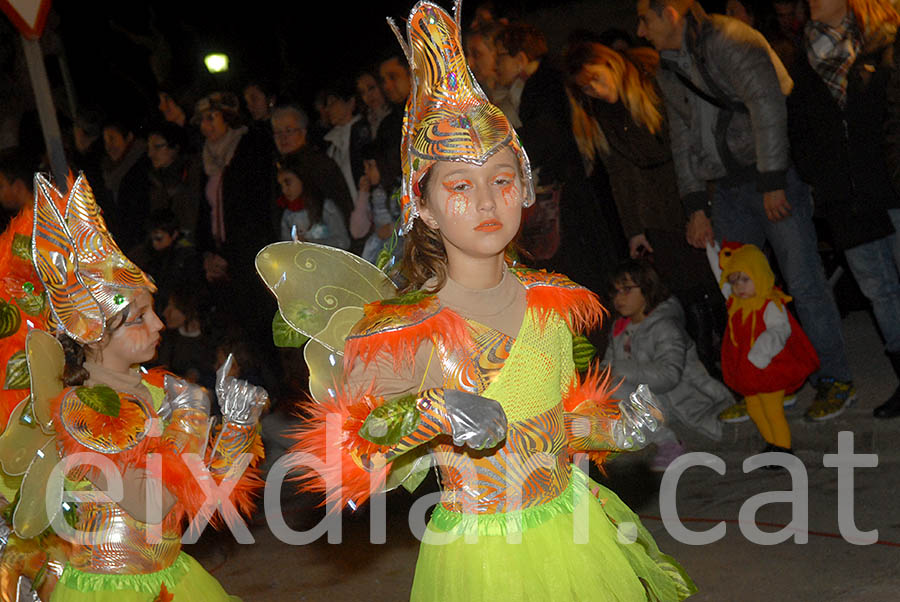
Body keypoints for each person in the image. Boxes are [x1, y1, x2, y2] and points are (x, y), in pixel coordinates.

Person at [282, 3, 695, 600]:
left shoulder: (553, 301)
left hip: (572, 533)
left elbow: (554, 426)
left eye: (501, 179)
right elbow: (354, 450)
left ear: (525, 188)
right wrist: (433, 413)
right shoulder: (401, 328)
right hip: (481, 556)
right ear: (421, 205)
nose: (485, 201)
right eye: (458, 185)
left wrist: (615, 428)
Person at [0, 172, 265, 601]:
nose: (159, 323)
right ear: (91, 331)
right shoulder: (85, 410)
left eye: (153, 311)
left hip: (171, 577)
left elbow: (199, 497)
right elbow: (152, 506)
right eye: (138, 318)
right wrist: (191, 417)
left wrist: (236, 429)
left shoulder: (157, 390)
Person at [636, 0, 856, 422]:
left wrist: (772, 179)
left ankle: (835, 378)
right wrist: (695, 205)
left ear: (671, 13)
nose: (641, 32)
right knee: (739, 293)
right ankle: (773, 382)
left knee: (804, 283)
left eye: (645, 19)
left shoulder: (731, 39)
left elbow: (767, 104)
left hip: (770, 179)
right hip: (730, 189)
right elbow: (683, 139)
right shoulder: (668, 67)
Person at [563, 41, 726, 375]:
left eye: (595, 78)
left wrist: (699, 202)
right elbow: (620, 176)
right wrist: (634, 230)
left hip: (689, 191)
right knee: (685, 292)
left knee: (716, 283)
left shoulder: (651, 87)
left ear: (610, 64)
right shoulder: (601, 116)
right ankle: (707, 366)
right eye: (585, 87)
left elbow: (687, 145)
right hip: (655, 210)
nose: (593, 89)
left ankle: (731, 358)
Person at [790, 0, 900, 419]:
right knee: (879, 292)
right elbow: (799, 126)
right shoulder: (801, 60)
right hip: (844, 197)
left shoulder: (880, 43)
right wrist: (818, 174)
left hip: (888, 183)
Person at [603, 260, 733, 472]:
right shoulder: (620, 328)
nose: (619, 298)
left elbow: (669, 376)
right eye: (615, 291)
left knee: (618, 386)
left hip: (679, 399)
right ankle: (629, 436)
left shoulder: (665, 326)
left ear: (647, 288)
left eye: (627, 289)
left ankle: (669, 443)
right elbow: (609, 364)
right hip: (647, 398)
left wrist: (623, 370)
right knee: (605, 389)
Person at [714, 243, 819, 458]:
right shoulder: (736, 304)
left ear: (760, 275)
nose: (739, 286)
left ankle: (784, 448)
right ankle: (772, 443)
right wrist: (711, 248)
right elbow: (719, 276)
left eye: (745, 279)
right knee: (754, 408)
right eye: (734, 281)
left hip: (770, 368)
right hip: (748, 370)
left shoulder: (771, 304)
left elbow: (780, 330)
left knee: (772, 410)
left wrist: (762, 351)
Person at [271, 104, 354, 229]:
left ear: (303, 132)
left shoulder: (319, 164)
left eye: (289, 131)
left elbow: (340, 206)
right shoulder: (279, 166)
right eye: (278, 132)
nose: (283, 138)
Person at [275, 153, 350, 249]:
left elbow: (343, 242)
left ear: (302, 178)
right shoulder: (288, 215)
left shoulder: (326, 208)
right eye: (281, 185)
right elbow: (285, 248)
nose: (284, 190)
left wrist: (310, 243)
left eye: (288, 183)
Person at [146, 121, 203, 240]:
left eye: (157, 147)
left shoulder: (192, 173)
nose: (150, 154)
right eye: (149, 148)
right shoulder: (154, 179)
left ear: (175, 148)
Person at [350, 141, 401, 264]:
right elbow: (357, 231)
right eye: (365, 167)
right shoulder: (372, 194)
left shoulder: (400, 190)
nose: (366, 172)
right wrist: (363, 194)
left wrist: (393, 228)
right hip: (378, 248)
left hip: (399, 248)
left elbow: (412, 221)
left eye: (370, 166)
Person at [321, 79, 371, 200]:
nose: (328, 109)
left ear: (350, 102)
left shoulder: (363, 134)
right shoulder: (332, 145)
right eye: (327, 105)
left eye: (333, 102)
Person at [356, 70, 392, 139]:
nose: (368, 95)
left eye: (371, 88)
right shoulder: (361, 125)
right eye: (363, 92)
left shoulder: (401, 114)